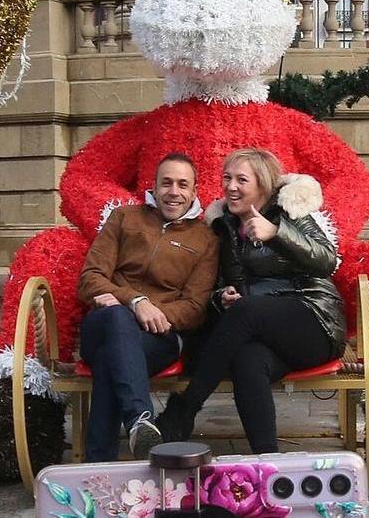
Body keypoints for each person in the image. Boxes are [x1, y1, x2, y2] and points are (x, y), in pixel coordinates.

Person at [156, 148, 346, 454]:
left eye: (241, 179)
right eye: (226, 178)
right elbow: (217, 285)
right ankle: (267, 460)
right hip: (259, 327)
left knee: (247, 312)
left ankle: (185, 409)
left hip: (313, 320)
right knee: (248, 361)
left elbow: (327, 259)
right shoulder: (224, 226)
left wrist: (277, 234)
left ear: (263, 185)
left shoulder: (288, 212)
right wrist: (223, 297)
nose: (231, 187)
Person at [76, 153, 218, 462]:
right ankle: (140, 419)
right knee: (116, 319)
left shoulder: (205, 238)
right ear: (153, 186)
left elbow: (195, 307)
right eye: (166, 183)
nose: (174, 192)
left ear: (194, 192)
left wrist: (156, 315)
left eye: (183, 185)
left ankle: (98, 462)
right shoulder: (124, 218)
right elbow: (90, 278)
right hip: (103, 323)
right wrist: (135, 302)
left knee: (108, 358)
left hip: (158, 337)